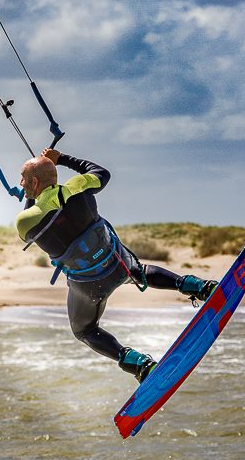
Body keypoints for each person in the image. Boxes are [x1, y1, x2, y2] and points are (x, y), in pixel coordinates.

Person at [16, 149, 218, 383]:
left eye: (23, 178)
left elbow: (29, 224)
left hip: (88, 287)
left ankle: (139, 365)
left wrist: (30, 193)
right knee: (139, 271)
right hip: (117, 264)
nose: (20, 183)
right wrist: (60, 159)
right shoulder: (78, 187)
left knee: (85, 331)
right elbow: (101, 172)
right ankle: (200, 287)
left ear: (34, 181)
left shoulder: (25, 221)